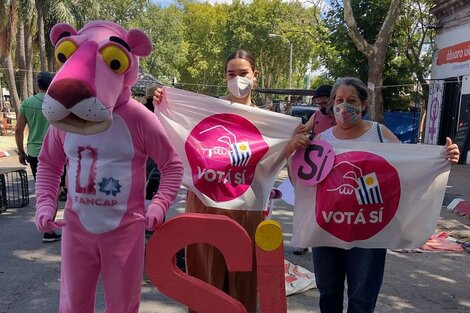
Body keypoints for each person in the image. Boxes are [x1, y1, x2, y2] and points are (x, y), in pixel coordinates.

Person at [286, 76, 460, 313]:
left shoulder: (380, 134)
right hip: (326, 230)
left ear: (364, 104)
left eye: (351, 100)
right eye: (339, 100)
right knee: (328, 294)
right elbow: (301, 183)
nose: (343, 106)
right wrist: (291, 152)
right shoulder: (322, 141)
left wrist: (443, 157)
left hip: (368, 233)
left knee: (362, 299)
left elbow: (408, 167)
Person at [154, 50, 265, 313]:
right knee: (204, 278)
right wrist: (162, 103)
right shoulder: (205, 111)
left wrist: (292, 142)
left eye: (243, 73)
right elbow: (172, 133)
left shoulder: (269, 122)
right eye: (231, 74)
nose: (237, 79)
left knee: (242, 279)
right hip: (205, 205)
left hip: (245, 211)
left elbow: (272, 163)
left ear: (255, 76)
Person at [15, 71, 62, 243]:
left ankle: (46, 223)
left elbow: (19, 129)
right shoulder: (58, 103)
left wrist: (21, 151)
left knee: (45, 190)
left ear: (37, 85)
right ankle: (49, 229)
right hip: (58, 152)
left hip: (36, 153)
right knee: (57, 189)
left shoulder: (27, 103)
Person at [293, 84, 336, 255]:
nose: (321, 107)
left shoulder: (341, 117)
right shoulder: (317, 115)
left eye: (324, 103)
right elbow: (304, 129)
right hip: (317, 169)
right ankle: (304, 242)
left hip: (335, 169)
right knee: (310, 205)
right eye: (318, 103)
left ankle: (328, 241)